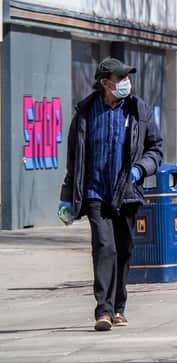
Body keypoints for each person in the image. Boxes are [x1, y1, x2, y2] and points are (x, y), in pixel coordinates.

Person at [59, 57, 163, 331]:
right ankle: (103, 311)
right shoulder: (85, 112)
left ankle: (119, 306)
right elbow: (74, 158)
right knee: (104, 248)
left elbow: (156, 148)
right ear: (105, 83)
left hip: (126, 193)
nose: (126, 82)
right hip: (95, 192)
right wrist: (66, 196)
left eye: (127, 77)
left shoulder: (138, 110)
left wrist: (142, 169)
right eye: (120, 78)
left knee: (124, 249)